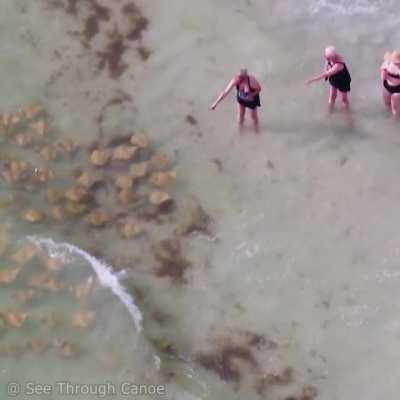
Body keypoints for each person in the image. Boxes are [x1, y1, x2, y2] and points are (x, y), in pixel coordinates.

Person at [305, 46, 351, 112]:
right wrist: (326, 69)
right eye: (326, 57)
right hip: (334, 78)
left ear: (334, 56)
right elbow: (327, 64)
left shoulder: (338, 65)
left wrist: (311, 80)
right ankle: (330, 110)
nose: (327, 58)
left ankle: (347, 113)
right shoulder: (329, 58)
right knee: (332, 96)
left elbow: (325, 75)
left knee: (344, 99)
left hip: (343, 81)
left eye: (329, 57)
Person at [380, 50, 400, 118]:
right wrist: (383, 72)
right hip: (387, 85)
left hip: (397, 90)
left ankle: (395, 116)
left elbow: (397, 81)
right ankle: (388, 110)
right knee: (387, 102)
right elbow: (383, 68)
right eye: (395, 63)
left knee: (395, 106)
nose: (397, 65)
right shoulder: (388, 63)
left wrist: (388, 77)